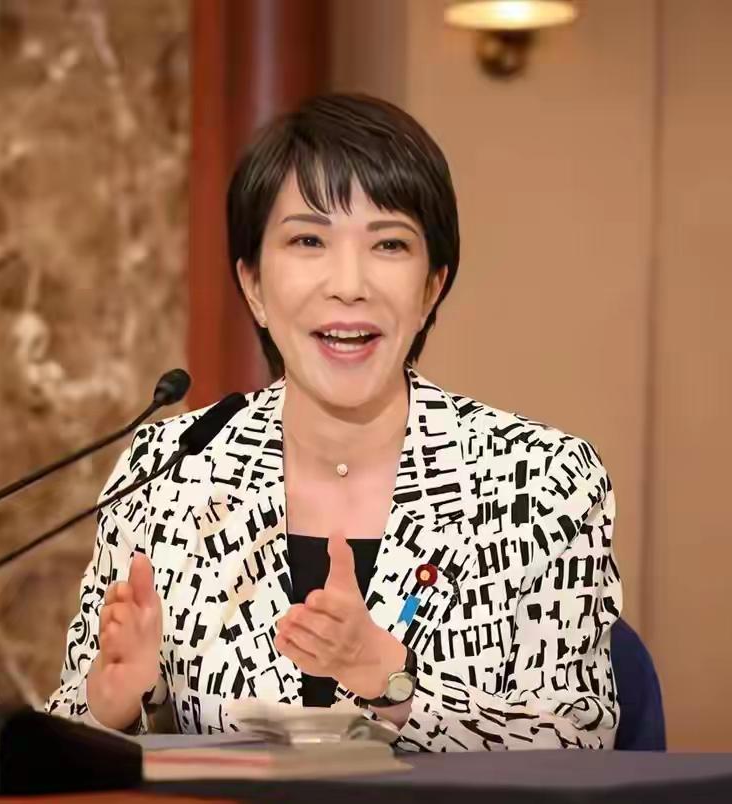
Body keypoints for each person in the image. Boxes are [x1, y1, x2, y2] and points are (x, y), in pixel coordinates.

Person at [45, 93, 621, 751]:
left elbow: (582, 739)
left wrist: (393, 684)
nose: (349, 284)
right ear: (254, 286)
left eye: (389, 244)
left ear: (431, 287)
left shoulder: (540, 482)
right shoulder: (169, 473)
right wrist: (111, 709)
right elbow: (61, 732)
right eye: (309, 240)